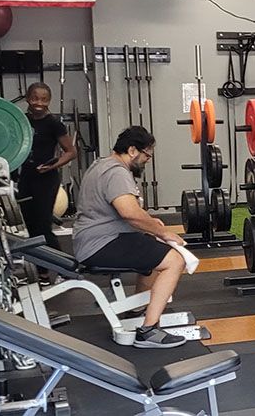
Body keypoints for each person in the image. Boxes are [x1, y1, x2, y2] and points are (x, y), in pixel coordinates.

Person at [72, 126, 189, 348]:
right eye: (147, 155)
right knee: (175, 260)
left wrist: (151, 225)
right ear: (133, 150)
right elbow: (129, 213)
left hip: (93, 240)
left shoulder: (101, 164)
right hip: (100, 244)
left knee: (151, 247)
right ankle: (149, 331)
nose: (147, 160)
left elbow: (129, 212)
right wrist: (164, 231)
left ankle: (138, 309)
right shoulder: (117, 171)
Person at [19, 82, 76, 281]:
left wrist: (53, 166)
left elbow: (71, 152)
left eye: (43, 99)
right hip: (25, 178)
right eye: (35, 98)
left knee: (43, 226)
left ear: (49, 101)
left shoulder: (54, 124)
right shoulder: (22, 121)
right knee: (31, 228)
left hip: (46, 179)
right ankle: (41, 272)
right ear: (27, 98)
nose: (39, 103)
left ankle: (66, 268)